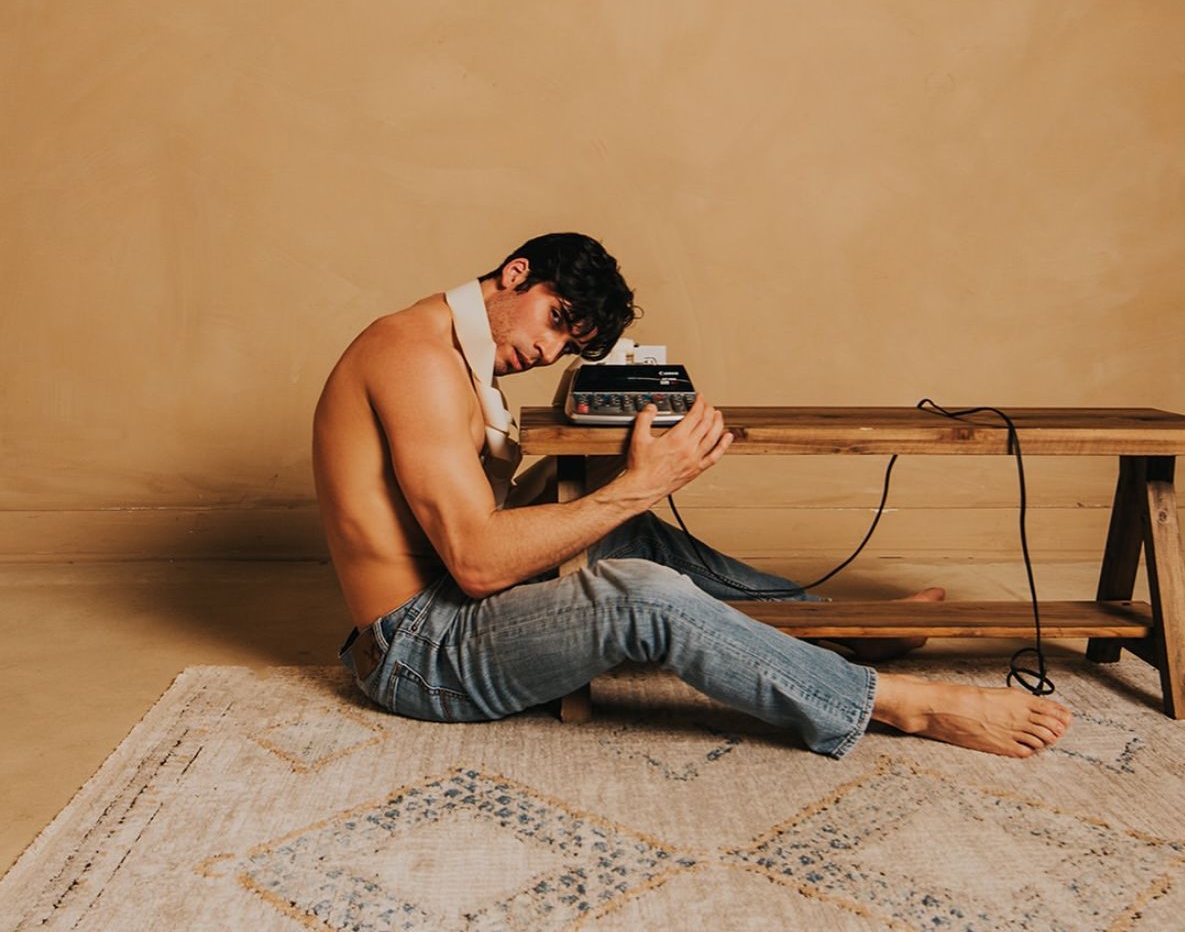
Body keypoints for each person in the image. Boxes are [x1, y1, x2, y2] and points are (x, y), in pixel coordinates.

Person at [313, 232, 1071, 759]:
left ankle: (834, 626)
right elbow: (477, 562)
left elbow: (477, 523)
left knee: (627, 534)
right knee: (643, 596)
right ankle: (901, 702)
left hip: (447, 602)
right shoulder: (415, 356)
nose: (547, 350)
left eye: (568, 344)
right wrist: (641, 485)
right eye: (556, 320)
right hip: (419, 652)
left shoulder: (447, 350)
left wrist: (623, 489)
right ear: (515, 274)